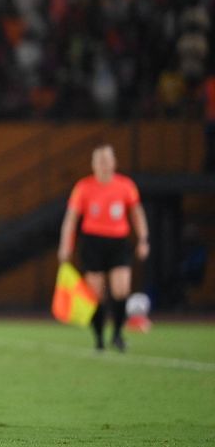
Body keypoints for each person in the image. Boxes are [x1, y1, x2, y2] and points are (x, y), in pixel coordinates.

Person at [58, 145, 149, 351]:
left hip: (118, 242)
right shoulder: (83, 187)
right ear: (93, 164)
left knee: (121, 289)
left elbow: (137, 214)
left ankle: (117, 333)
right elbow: (71, 219)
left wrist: (144, 239)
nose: (104, 164)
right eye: (99, 161)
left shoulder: (126, 186)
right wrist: (66, 245)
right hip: (93, 243)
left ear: (114, 162)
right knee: (96, 294)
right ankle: (98, 337)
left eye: (107, 160)